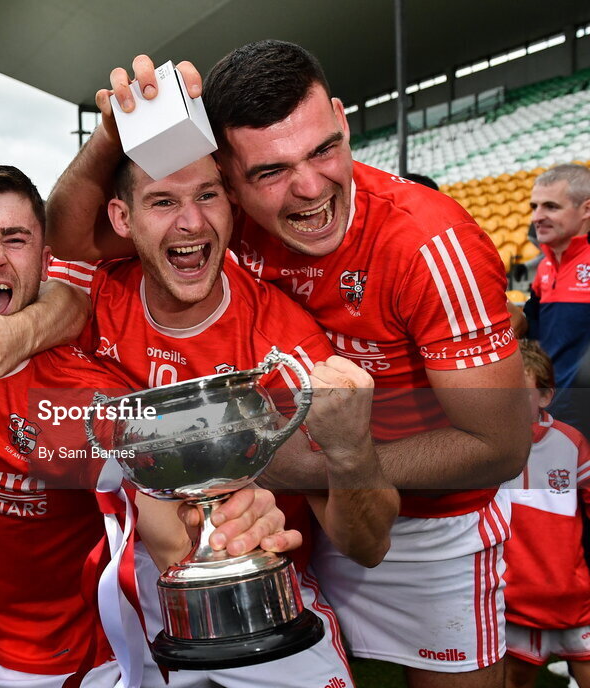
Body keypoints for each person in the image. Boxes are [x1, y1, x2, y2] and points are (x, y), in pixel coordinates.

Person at [46, 40, 528, 687]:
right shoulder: (224, 217)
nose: (307, 187)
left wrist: (299, 459)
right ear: (235, 179)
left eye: (324, 149)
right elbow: (69, 236)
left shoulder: (428, 244)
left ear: (342, 118)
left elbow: (501, 445)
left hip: (431, 525)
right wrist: (112, 133)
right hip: (314, 516)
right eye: (270, 171)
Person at [0, 162, 303, 688]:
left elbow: (168, 531)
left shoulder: (78, 398)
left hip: (68, 663)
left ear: (45, 258)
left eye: (15, 239)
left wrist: (222, 540)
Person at [51, 155, 399, 687]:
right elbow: (12, 256)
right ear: (122, 219)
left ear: (232, 205)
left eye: (208, 195)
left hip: (263, 581)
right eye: (164, 201)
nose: (191, 222)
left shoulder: (286, 341)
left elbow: (368, 546)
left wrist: (352, 455)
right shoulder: (92, 296)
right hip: (131, 590)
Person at [500, 340, 590, 687]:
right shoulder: (482, 448)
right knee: (517, 678)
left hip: (572, 591)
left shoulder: (572, 442)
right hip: (514, 597)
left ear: (545, 396)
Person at [523, 164, 590, 437]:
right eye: (534, 206)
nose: (537, 216)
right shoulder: (543, 269)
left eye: (551, 206)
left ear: (586, 209)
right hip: (553, 415)